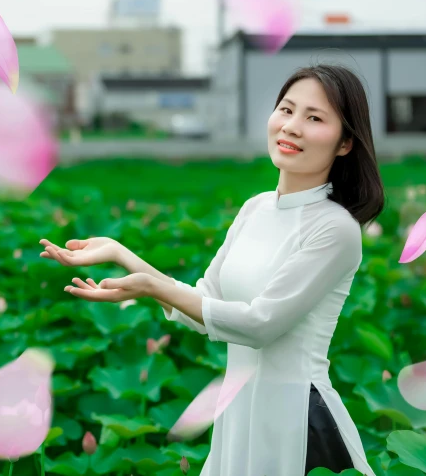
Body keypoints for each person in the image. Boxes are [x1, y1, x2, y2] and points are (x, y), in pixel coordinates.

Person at [40, 64, 384, 476]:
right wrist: (123, 256)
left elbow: (260, 325)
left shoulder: (336, 229)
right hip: (238, 414)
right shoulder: (255, 208)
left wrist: (151, 287)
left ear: (345, 142)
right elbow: (207, 303)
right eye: (286, 110)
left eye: (314, 118)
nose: (291, 127)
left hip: (298, 422)